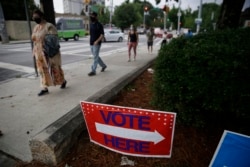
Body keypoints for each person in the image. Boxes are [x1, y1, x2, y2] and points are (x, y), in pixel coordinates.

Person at [32, 9, 67, 96]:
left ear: (41, 16)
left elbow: (54, 40)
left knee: (55, 69)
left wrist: (48, 49)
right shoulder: (36, 27)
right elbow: (35, 40)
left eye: (36, 16)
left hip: (48, 53)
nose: (34, 18)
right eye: (33, 17)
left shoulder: (49, 26)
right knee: (41, 70)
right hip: (38, 53)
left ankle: (63, 81)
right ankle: (44, 88)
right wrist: (34, 51)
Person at [88, 12, 107, 76]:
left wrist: (97, 41)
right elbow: (91, 34)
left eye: (93, 16)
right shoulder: (91, 24)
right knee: (96, 57)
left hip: (97, 43)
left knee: (95, 57)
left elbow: (102, 35)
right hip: (91, 43)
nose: (91, 17)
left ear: (96, 17)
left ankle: (93, 70)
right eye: (91, 15)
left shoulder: (99, 25)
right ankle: (103, 66)